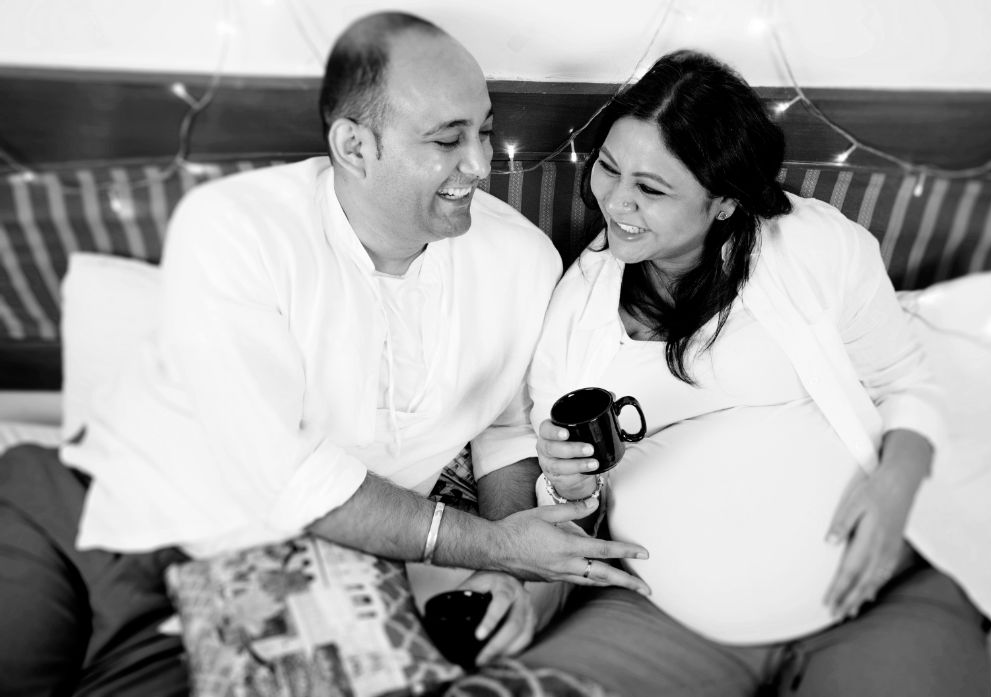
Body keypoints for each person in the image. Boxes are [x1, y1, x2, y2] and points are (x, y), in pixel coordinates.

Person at [0, 12, 650, 696]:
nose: (481, 164)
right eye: (446, 139)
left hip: (280, 578)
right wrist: (497, 546)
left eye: (484, 131)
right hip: (100, 515)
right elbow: (285, 477)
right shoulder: (235, 228)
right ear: (354, 146)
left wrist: (503, 567)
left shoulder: (522, 259)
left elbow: (505, 428)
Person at [516, 51, 991, 696]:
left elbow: (906, 381)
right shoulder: (574, 312)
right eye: (608, 167)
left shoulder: (815, 247)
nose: (617, 201)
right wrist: (565, 483)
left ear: (724, 201)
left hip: (880, 598)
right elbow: (567, 505)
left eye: (652, 189)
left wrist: (895, 491)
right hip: (662, 617)